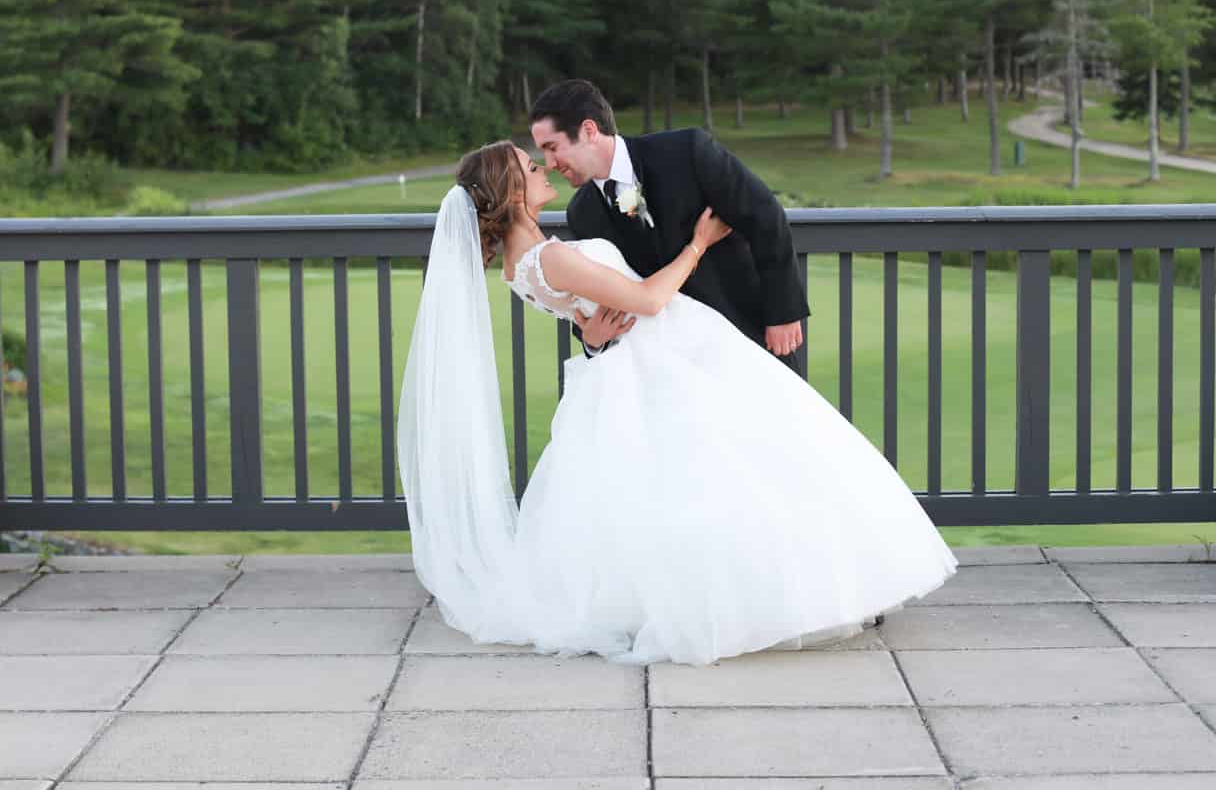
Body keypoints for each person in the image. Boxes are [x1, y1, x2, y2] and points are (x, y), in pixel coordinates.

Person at [397, 139, 957, 666]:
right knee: (741, 468)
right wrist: (698, 243)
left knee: (706, 479)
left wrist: (591, 334)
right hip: (658, 358)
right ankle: (751, 599)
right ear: (513, 191)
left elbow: (593, 316)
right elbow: (647, 300)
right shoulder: (548, 259)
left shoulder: (526, 262)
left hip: (637, 360)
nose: (544, 169)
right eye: (531, 165)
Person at [529, 79, 807, 367]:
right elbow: (599, 299)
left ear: (588, 131)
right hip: (670, 369)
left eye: (552, 147)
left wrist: (782, 313)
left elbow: (764, 216)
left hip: (745, 333)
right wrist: (591, 342)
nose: (549, 163)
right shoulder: (582, 213)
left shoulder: (686, 151)